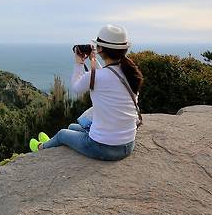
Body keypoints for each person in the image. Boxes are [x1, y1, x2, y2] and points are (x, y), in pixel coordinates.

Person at [29, 24, 143, 161]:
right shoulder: (130, 74)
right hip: (128, 145)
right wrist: (92, 60)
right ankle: (51, 142)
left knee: (62, 134)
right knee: (72, 127)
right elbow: (104, 76)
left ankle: (41, 147)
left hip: (104, 148)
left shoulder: (99, 76)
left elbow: (76, 87)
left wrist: (79, 63)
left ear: (100, 49)